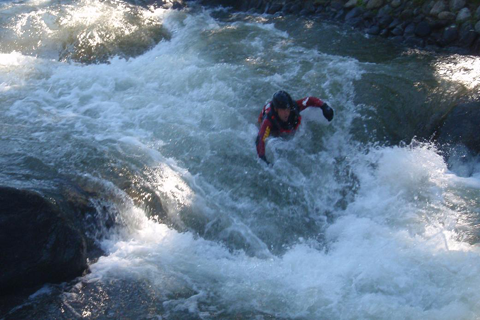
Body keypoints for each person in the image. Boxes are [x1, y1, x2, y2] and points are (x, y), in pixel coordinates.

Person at [255, 90, 334, 163]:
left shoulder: (294, 107)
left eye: (287, 109)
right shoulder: (268, 121)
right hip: (270, 125)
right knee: (272, 136)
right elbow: (261, 138)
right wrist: (263, 158)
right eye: (283, 110)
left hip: (284, 124)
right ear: (276, 109)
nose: (286, 113)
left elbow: (309, 100)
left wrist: (324, 106)